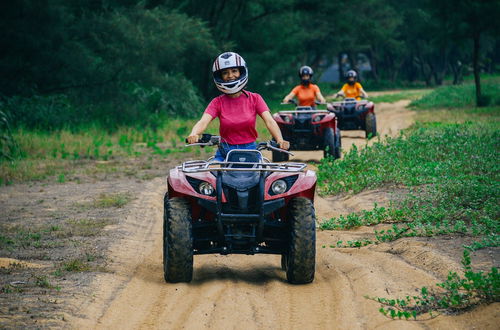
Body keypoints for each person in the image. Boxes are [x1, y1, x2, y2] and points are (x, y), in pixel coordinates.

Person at [187, 52, 290, 161]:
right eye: (225, 73)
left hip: (251, 150)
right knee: (214, 174)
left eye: (234, 71)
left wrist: (280, 140)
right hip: (225, 151)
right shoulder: (217, 102)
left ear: (241, 72)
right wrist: (194, 134)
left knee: (260, 177)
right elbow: (203, 122)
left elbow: (270, 121)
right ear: (220, 76)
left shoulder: (255, 98)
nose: (230, 75)